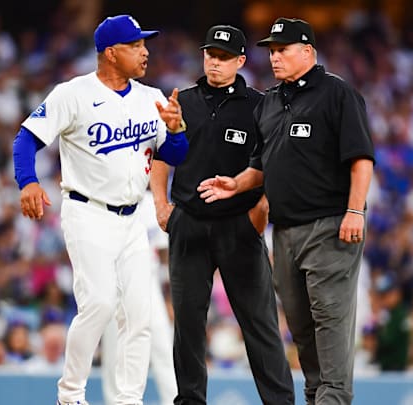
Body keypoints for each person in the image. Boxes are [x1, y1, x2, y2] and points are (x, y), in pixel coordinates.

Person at [12, 14, 189, 405]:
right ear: (111, 53)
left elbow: (173, 154)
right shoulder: (72, 93)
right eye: (135, 45)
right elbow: (26, 139)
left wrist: (175, 130)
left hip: (132, 220)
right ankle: (71, 393)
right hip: (87, 212)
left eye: (145, 44)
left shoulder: (152, 97)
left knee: (139, 316)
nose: (145, 52)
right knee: (100, 304)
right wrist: (28, 182)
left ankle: (128, 399)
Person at [197, 17, 374, 404]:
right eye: (271, 51)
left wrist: (354, 211)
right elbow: (261, 165)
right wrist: (236, 183)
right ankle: (317, 397)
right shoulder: (272, 101)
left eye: (282, 50)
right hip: (287, 231)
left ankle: (333, 398)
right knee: (302, 326)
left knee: (330, 322)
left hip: (330, 226)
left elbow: (361, 159)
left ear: (307, 51)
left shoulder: (337, 94)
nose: (274, 57)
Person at [151, 24, 294, 404]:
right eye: (211, 54)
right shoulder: (184, 101)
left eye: (225, 57)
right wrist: (162, 206)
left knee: (260, 324)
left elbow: (272, 165)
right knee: (188, 325)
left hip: (238, 224)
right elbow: (161, 157)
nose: (215, 62)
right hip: (189, 223)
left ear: (241, 61)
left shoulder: (260, 105)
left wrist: (259, 213)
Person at [102, 188, 177, 405]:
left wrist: (170, 299)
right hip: (114, 281)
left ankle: (173, 400)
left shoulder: (152, 202)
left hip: (148, 281)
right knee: (115, 351)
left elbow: (165, 257)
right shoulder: (106, 196)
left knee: (163, 345)